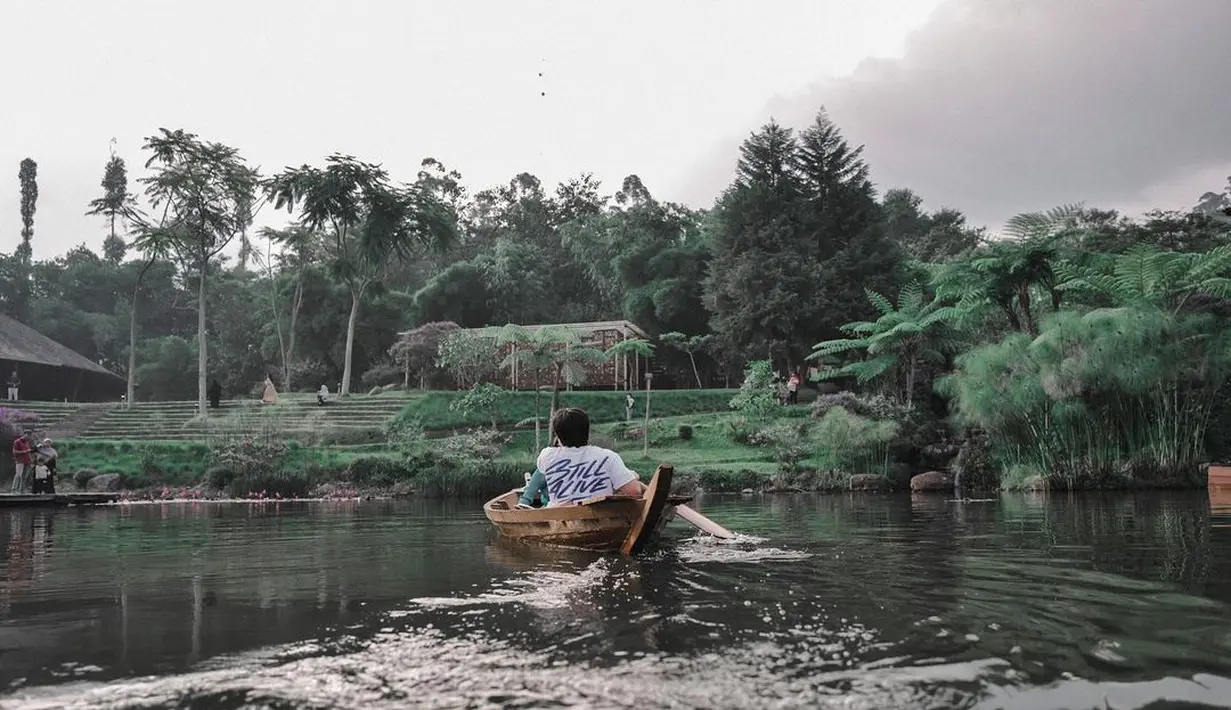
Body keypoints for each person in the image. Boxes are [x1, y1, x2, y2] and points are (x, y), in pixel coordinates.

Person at [517, 408, 644, 509]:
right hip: (601, 517)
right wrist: (630, 476)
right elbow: (635, 492)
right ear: (587, 431)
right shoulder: (608, 457)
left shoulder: (547, 456)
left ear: (558, 436)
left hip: (557, 517)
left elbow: (536, 481)